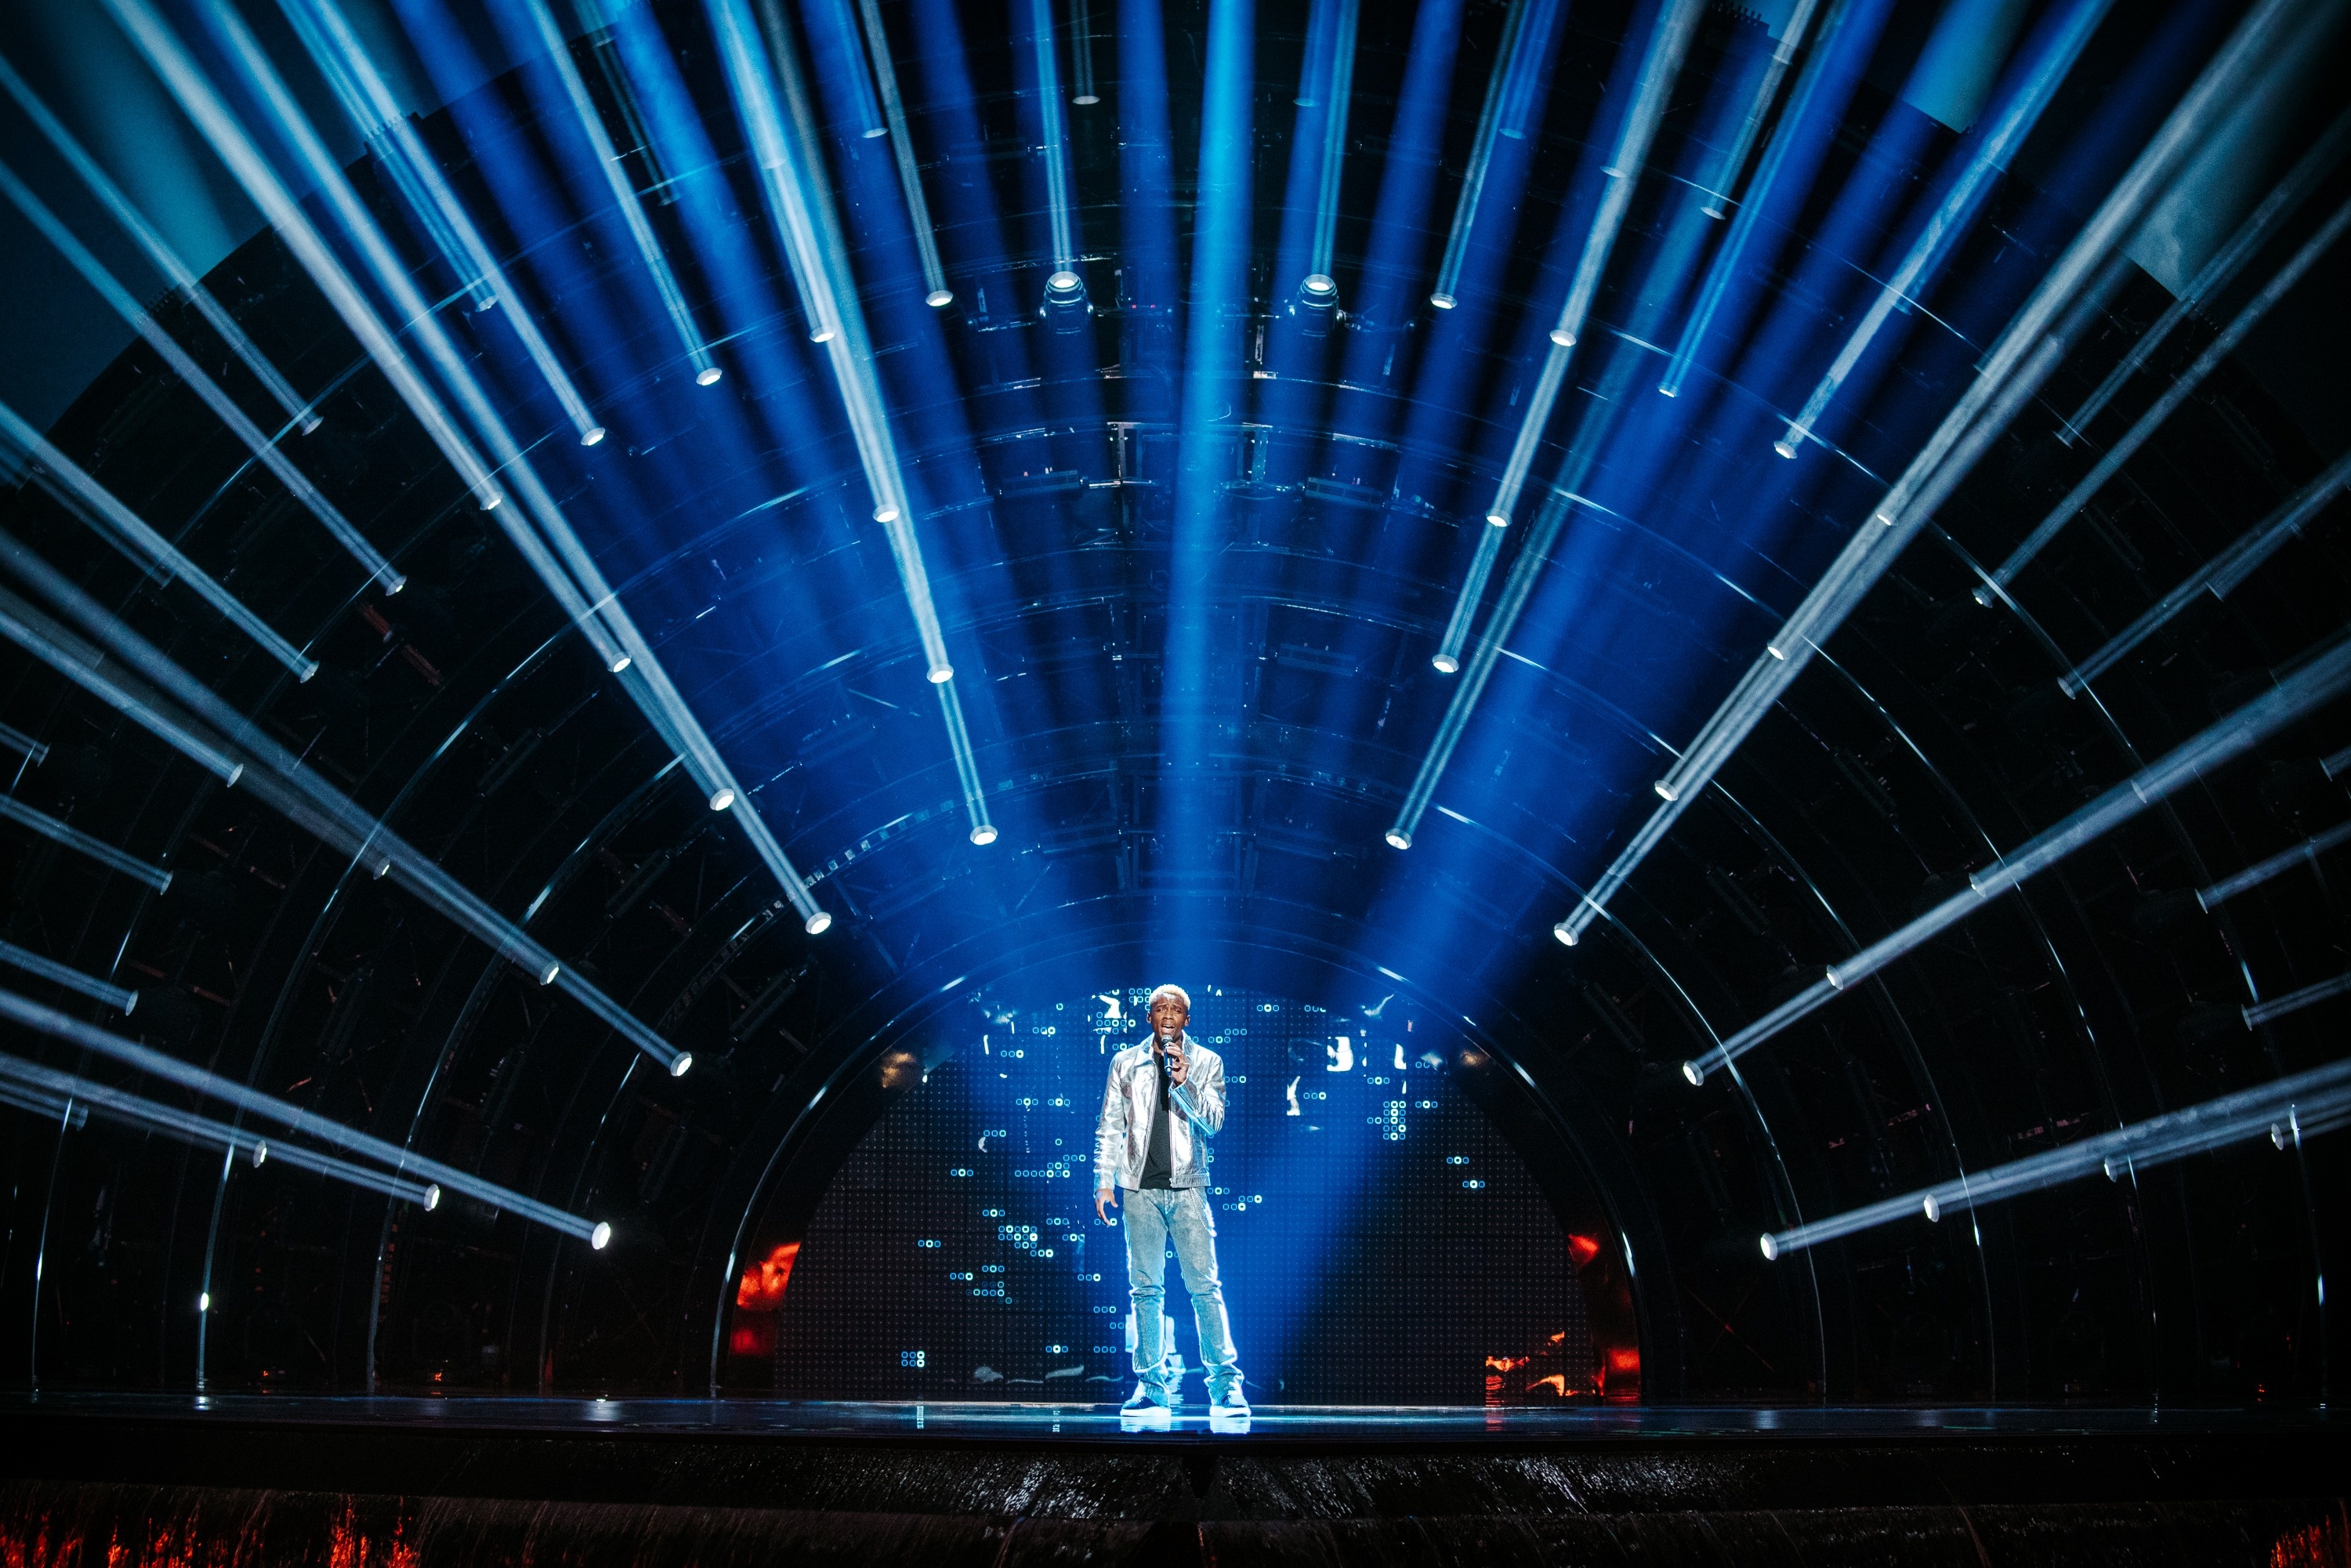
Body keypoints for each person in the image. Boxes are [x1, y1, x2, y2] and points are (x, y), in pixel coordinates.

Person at [1093, 983, 1248, 1432]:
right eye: (1159, 1007)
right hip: (1138, 1189)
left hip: (1188, 1189)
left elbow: (1214, 1123)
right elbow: (1109, 1126)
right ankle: (1151, 1387)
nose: (1167, 1014)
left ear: (1187, 1020)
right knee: (1145, 1290)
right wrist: (1104, 1184)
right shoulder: (1125, 1062)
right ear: (1148, 1017)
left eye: (1176, 1009)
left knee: (1204, 1287)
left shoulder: (1207, 1062)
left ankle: (1225, 1385)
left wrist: (1185, 1083)